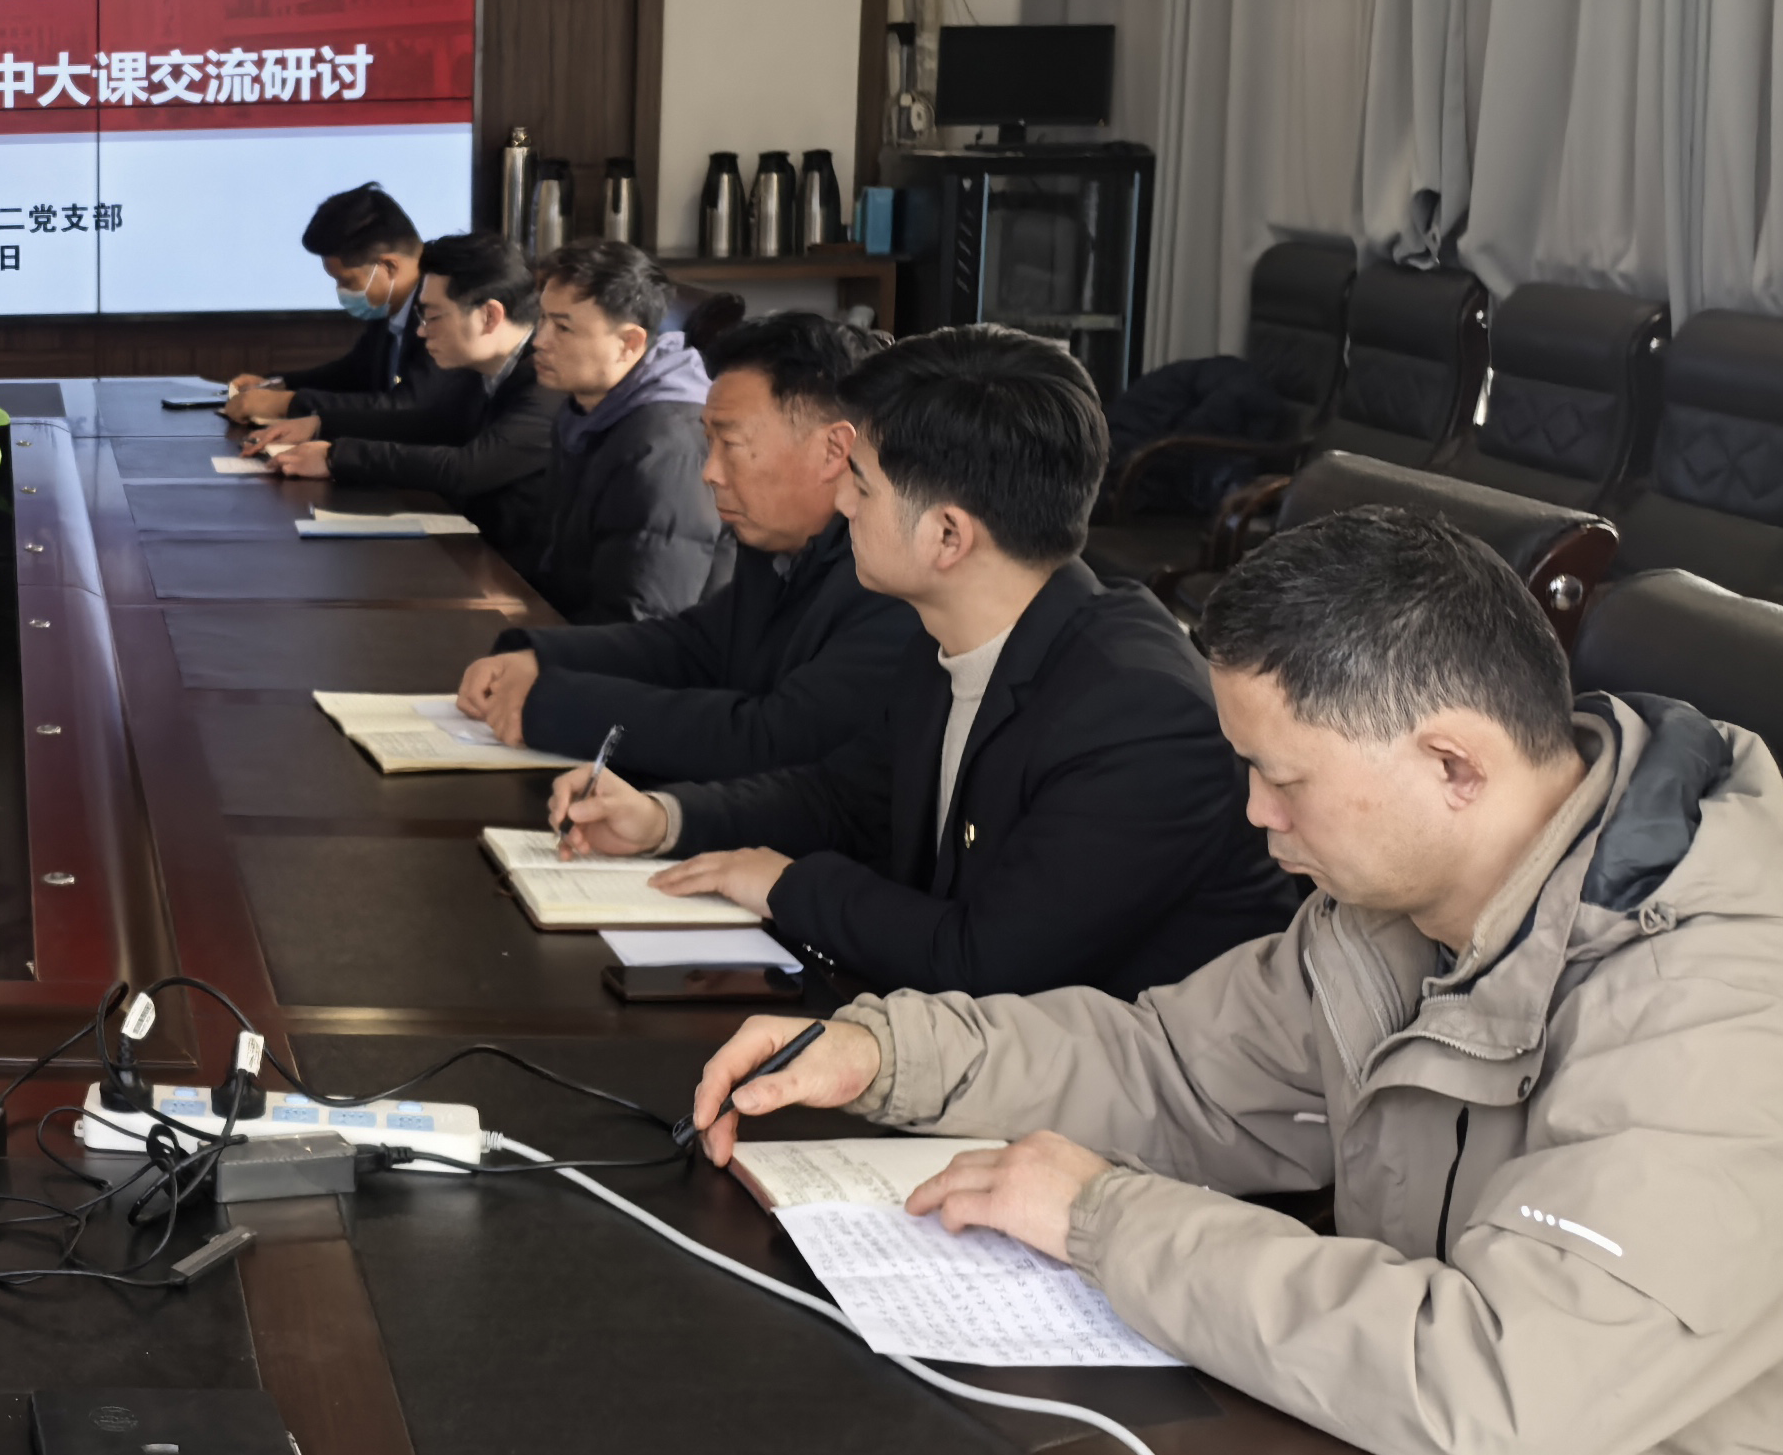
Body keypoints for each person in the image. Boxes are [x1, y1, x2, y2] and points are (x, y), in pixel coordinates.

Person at [687, 507, 1783, 1455]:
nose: (1256, 817)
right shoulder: (1402, 908)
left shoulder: (1725, 1009)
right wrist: (889, 1053)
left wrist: (1105, 1217)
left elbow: (1498, 1390)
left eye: (1282, 777)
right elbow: (1172, 1069)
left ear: (1453, 763)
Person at [554, 325, 1292, 998]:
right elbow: (847, 798)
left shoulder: (1142, 717)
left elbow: (985, 962)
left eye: (861, 482)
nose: (842, 500)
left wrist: (786, 884)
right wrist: (665, 818)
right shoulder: (951, 634)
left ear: (948, 536)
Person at [451, 311, 924, 780]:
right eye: (709, 442)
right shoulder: (783, 543)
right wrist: (539, 656)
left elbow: (771, 741)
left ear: (834, 450)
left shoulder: (891, 579)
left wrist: (553, 705)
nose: (710, 472)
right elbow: (694, 645)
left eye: (730, 444)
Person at [249, 231, 561, 551]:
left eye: (433, 316)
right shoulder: (477, 368)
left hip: (517, 568)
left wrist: (336, 457)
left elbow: (468, 468)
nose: (422, 331)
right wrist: (321, 424)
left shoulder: (547, 383)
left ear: (489, 316)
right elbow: (426, 420)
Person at [514, 238, 729, 622]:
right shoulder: (583, 410)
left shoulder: (665, 446)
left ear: (629, 342)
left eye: (562, 327)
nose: (539, 341)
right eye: (542, 319)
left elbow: (642, 618)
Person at [224, 180, 434, 424]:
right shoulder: (390, 306)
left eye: (346, 281)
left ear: (388, 266)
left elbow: (412, 406)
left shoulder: (444, 307)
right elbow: (354, 373)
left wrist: (289, 404)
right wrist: (278, 385)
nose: (340, 291)